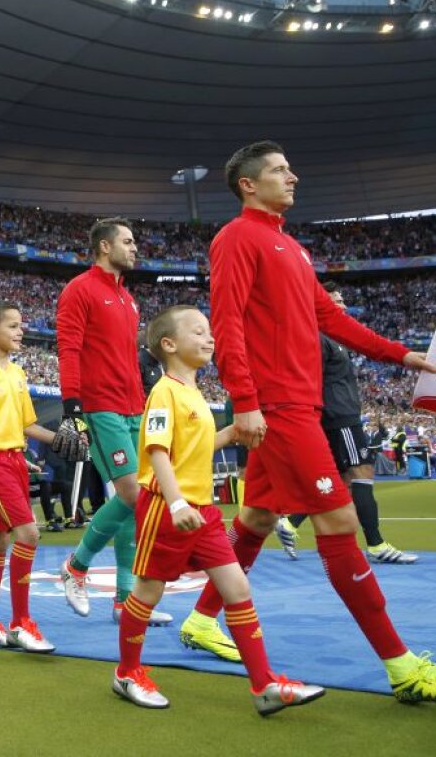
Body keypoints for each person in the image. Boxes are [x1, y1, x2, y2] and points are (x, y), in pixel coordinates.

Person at [181, 140, 436, 703]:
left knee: (256, 517)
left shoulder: (290, 247)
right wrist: (245, 400)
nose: (292, 177)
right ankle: (402, 667)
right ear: (249, 184)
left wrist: (400, 353)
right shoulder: (236, 238)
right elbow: (224, 322)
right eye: (278, 170)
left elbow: (329, 317)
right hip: (276, 406)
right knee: (340, 523)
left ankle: (201, 620)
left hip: (299, 403)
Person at [111, 305, 325, 714]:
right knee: (149, 591)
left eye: (210, 332)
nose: (210, 339)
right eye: (199, 332)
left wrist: (232, 433)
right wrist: (174, 503)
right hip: (165, 507)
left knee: (238, 588)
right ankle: (126, 673)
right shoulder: (164, 391)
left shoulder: (193, 393)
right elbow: (156, 452)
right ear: (169, 344)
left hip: (203, 511)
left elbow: (194, 448)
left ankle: (264, 685)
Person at [0, 301, 87, 653]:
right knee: (29, 533)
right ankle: (21, 622)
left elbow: (26, 425)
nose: (21, 331)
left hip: (14, 460)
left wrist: (63, 440)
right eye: (13, 326)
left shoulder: (17, 373)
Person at [56, 219, 168, 624]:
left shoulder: (128, 299)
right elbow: (68, 349)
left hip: (133, 406)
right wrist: (72, 406)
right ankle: (76, 566)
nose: (135, 247)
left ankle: (125, 600)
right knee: (132, 495)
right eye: (128, 241)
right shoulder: (79, 290)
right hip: (100, 407)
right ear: (105, 247)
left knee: (135, 501)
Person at [274, 284, 417, 565]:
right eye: (335, 301)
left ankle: (290, 523)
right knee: (361, 472)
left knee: (337, 479)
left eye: (342, 301)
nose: (341, 306)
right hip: (339, 416)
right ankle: (376, 545)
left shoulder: (333, 338)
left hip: (340, 413)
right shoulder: (317, 337)